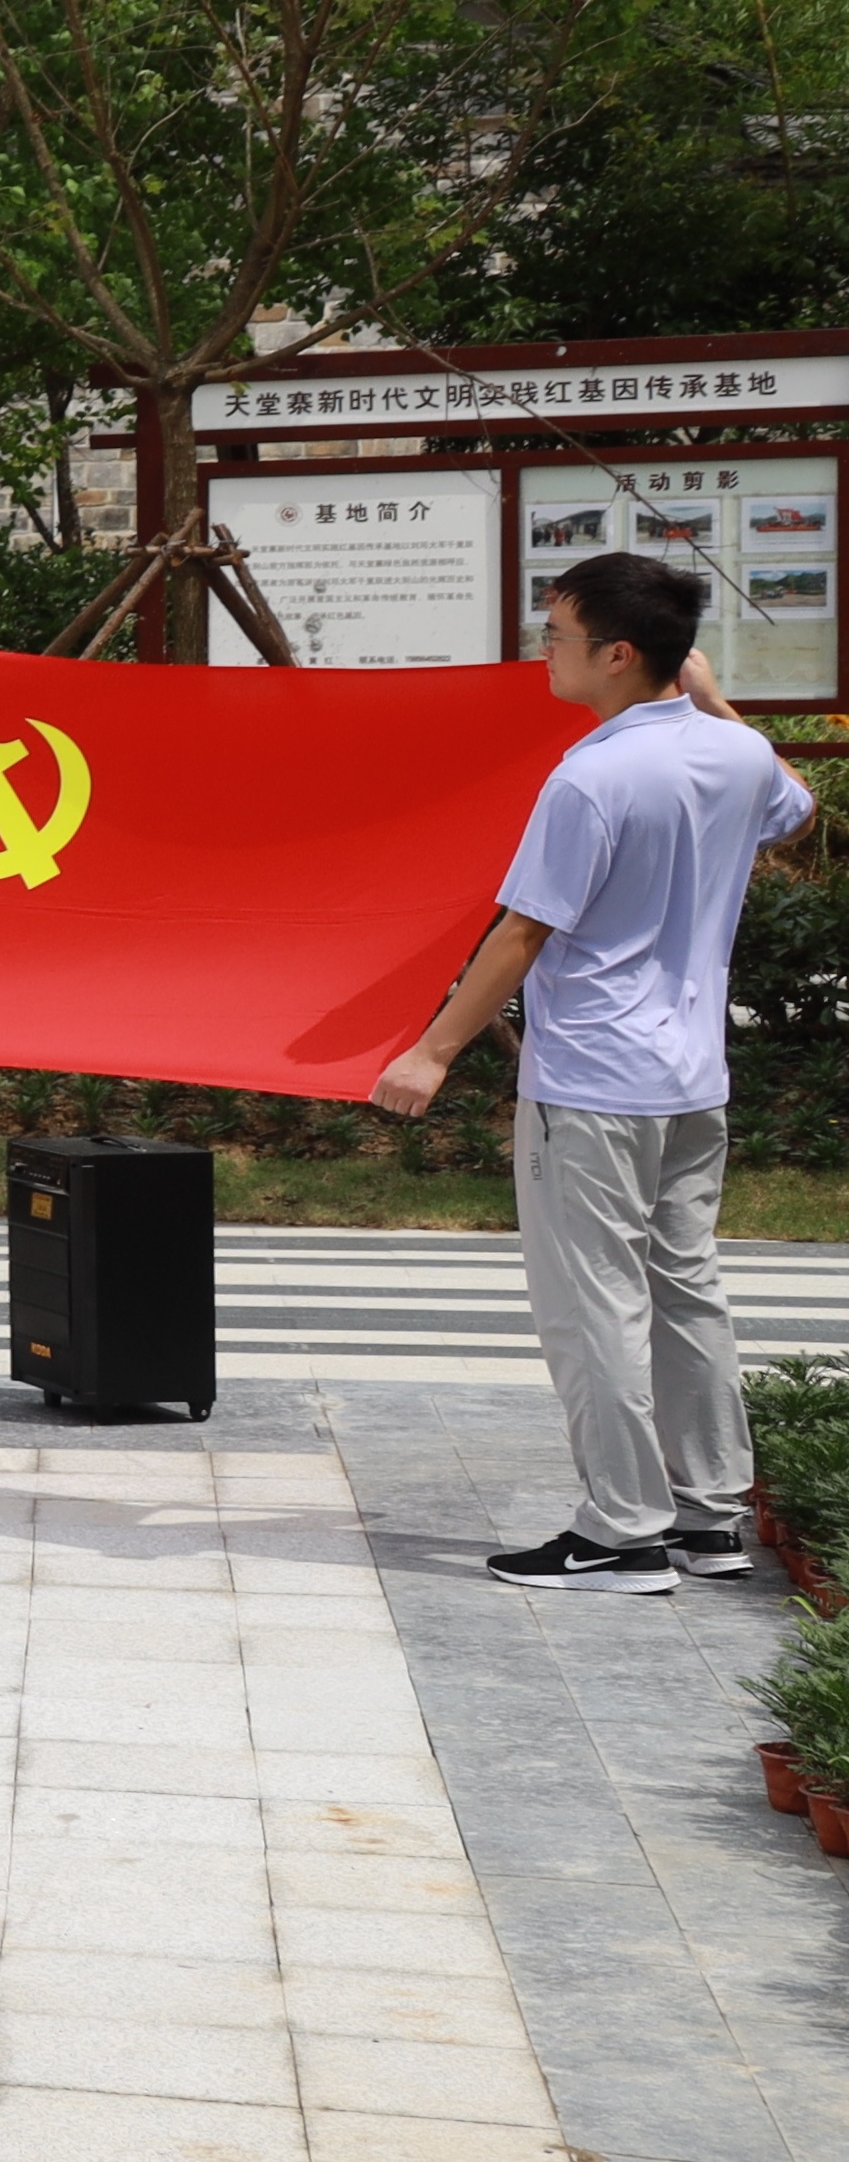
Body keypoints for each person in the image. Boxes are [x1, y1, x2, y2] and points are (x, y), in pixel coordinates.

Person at [377, 549, 819, 1588]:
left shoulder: (591, 775)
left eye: (558, 633)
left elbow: (523, 931)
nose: (544, 646)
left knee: (595, 1308)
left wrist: (432, 1048)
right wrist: (713, 699)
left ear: (617, 654)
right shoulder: (737, 753)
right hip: (689, 1076)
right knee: (686, 1292)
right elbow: (794, 812)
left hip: (592, 1079)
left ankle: (622, 1528)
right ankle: (708, 1517)